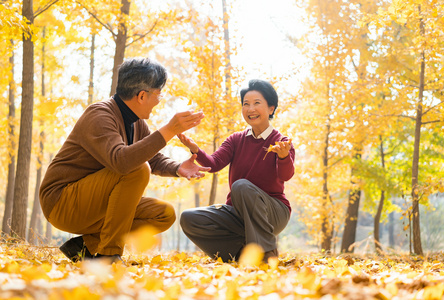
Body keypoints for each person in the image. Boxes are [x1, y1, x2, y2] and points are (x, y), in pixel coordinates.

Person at [39, 57, 210, 263]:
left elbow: (152, 158)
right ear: (141, 95)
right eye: (158, 94)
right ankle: (108, 255)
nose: (159, 100)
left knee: (163, 214)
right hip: (62, 202)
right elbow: (122, 162)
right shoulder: (99, 115)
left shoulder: (136, 123)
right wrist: (169, 129)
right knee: (138, 169)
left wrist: (177, 168)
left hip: (94, 203)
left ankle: (84, 246)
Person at [178, 79, 295, 262]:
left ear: (271, 108)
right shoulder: (236, 140)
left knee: (241, 186)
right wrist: (195, 149)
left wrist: (283, 156)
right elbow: (214, 164)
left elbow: (285, 176)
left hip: (272, 211)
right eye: (246, 104)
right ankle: (241, 256)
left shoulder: (281, 142)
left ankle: (267, 253)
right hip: (237, 214)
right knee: (189, 218)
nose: (250, 109)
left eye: (257, 103)